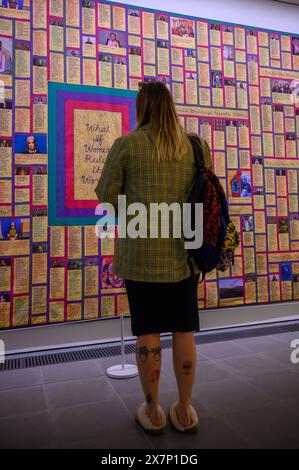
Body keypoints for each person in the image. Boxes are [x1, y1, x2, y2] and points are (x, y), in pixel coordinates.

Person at [95, 81, 213, 435]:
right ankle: (186, 409)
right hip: (185, 254)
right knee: (183, 328)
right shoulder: (196, 146)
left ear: (142, 108)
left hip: (140, 255)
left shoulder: (127, 145)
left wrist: (138, 211)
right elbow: (208, 191)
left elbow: (105, 196)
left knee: (147, 332)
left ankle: (154, 411)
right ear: (171, 107)